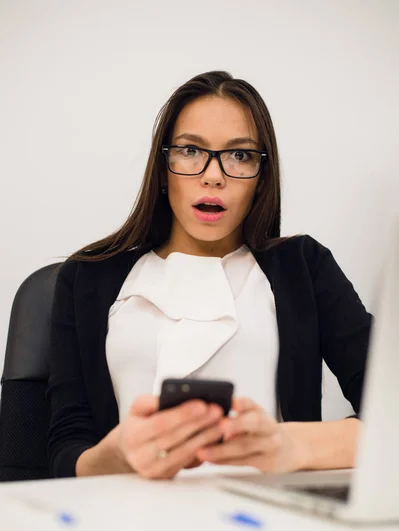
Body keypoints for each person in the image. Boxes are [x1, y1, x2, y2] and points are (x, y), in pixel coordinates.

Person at [47, 70, 372, 480]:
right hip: (125, 520)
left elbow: (391, 417)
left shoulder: (304, 267)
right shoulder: (86, 279)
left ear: (261, 177)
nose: (214, 175)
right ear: (163, 168)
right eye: (190, 150)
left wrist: (289, 444)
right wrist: (117, 456)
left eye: (240, 155)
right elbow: (63, 448)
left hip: (271, 523)